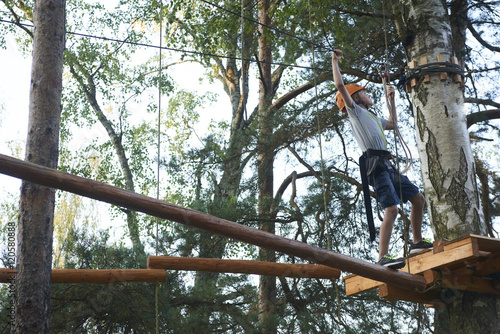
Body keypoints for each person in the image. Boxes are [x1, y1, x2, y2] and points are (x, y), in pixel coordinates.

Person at [331, 49, 432, 269]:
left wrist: (391, 100)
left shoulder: (372, 116)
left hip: (386, 164)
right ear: (356, 98)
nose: (369, 95)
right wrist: (335, 61)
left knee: (418, 199)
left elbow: (393, 124)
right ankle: (382, 257)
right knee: (392, 209)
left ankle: (416, 243)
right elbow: (340, 86)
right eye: (364, 93)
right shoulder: (356, 112)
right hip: (375, 167)